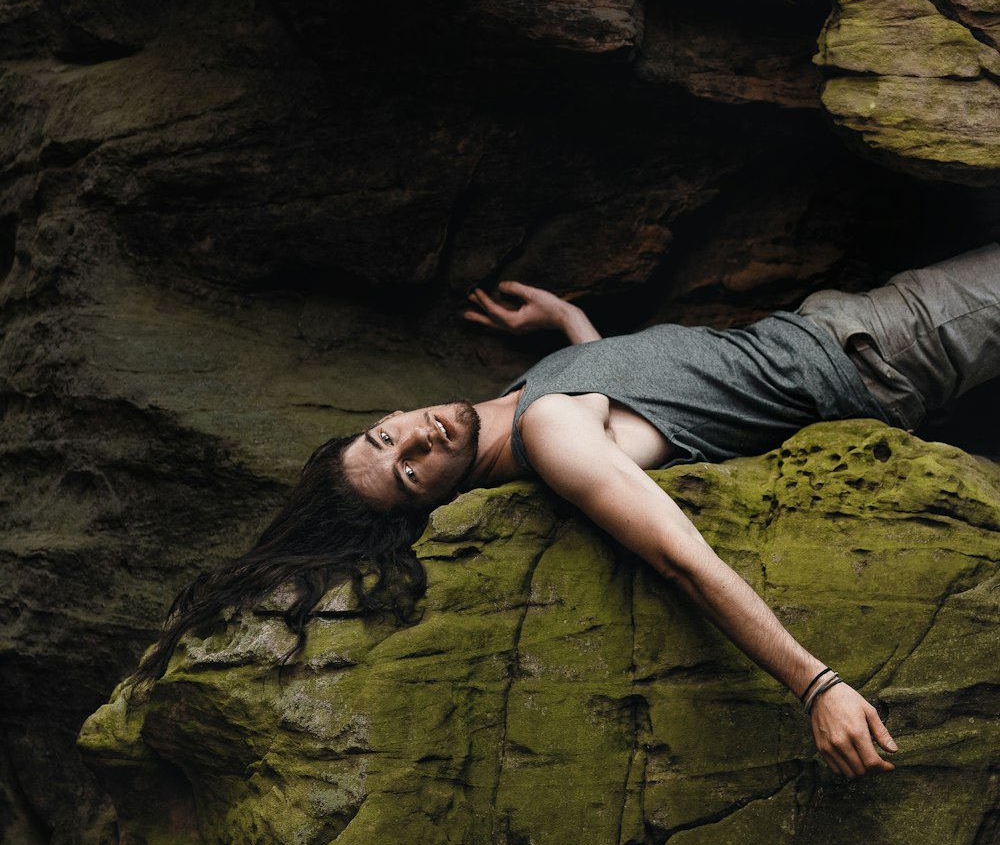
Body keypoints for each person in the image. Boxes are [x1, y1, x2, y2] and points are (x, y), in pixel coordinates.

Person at [136, 245, 1000, 782]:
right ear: (432, 504)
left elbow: (630, 404)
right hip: (879, 350)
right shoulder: (551, 438)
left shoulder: (527, 407)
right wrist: (817, 685)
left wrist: (568, 326)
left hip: (838, 331)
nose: (415, 440)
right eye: (409, 473)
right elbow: (681, 559)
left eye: (385, 434)